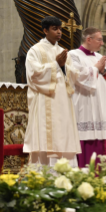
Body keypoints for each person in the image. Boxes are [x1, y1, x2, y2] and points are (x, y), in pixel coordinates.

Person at [23, 16, 81, 166]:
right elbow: (33, 74)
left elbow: (73, 75)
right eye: (55, 29)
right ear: (45, 30)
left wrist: (62, 66)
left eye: (60, 29)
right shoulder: (35, 50)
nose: (59, 32)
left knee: (63, 134)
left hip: (63, 101)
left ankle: (65, 170)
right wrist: (56, 64)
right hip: (45, 100)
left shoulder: (62, 51)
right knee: (46, 136)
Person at [69, 27, 106, 167]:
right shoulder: (73, 55)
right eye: (100, 39)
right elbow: (77, 75)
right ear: (88, 39)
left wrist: (103, 72)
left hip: (100, 103)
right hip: (84, 103)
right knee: (85, 138)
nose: (102, 43)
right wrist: (96, 68)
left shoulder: (98, 57)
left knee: (101, 140)